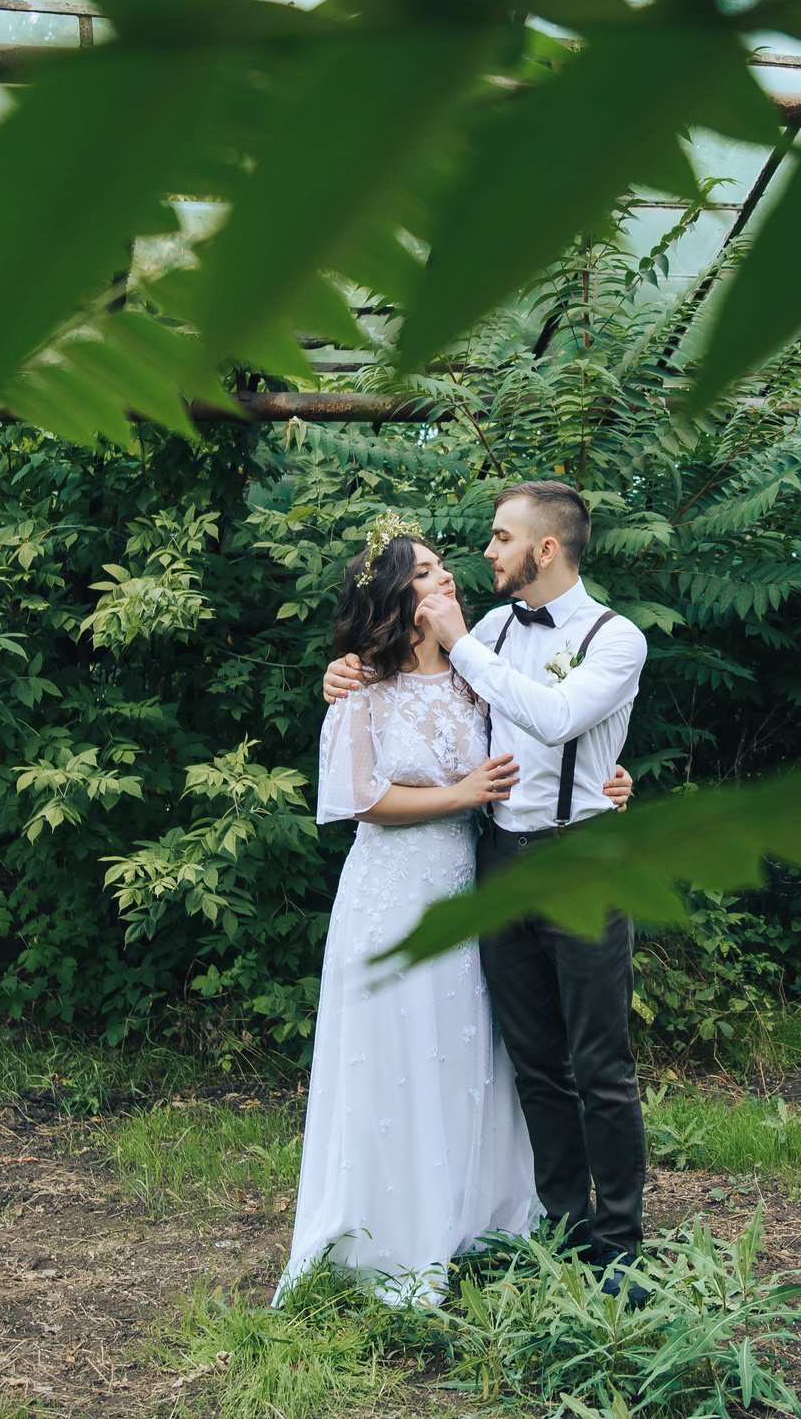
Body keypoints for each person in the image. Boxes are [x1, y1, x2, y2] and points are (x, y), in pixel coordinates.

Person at [280, 516, 635, 1306]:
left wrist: (607, 776)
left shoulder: (483, 664)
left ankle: (514, 1222)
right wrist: (460, 790)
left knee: (470, 1055)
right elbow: (358, 797)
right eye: (433, 571)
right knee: (399, 1053)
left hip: (471, 883)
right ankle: (392, 1230)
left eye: (455, 564)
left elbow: (548, 726)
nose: (455, 577)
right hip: (394, 893)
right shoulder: (363, 684)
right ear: (401, 598)